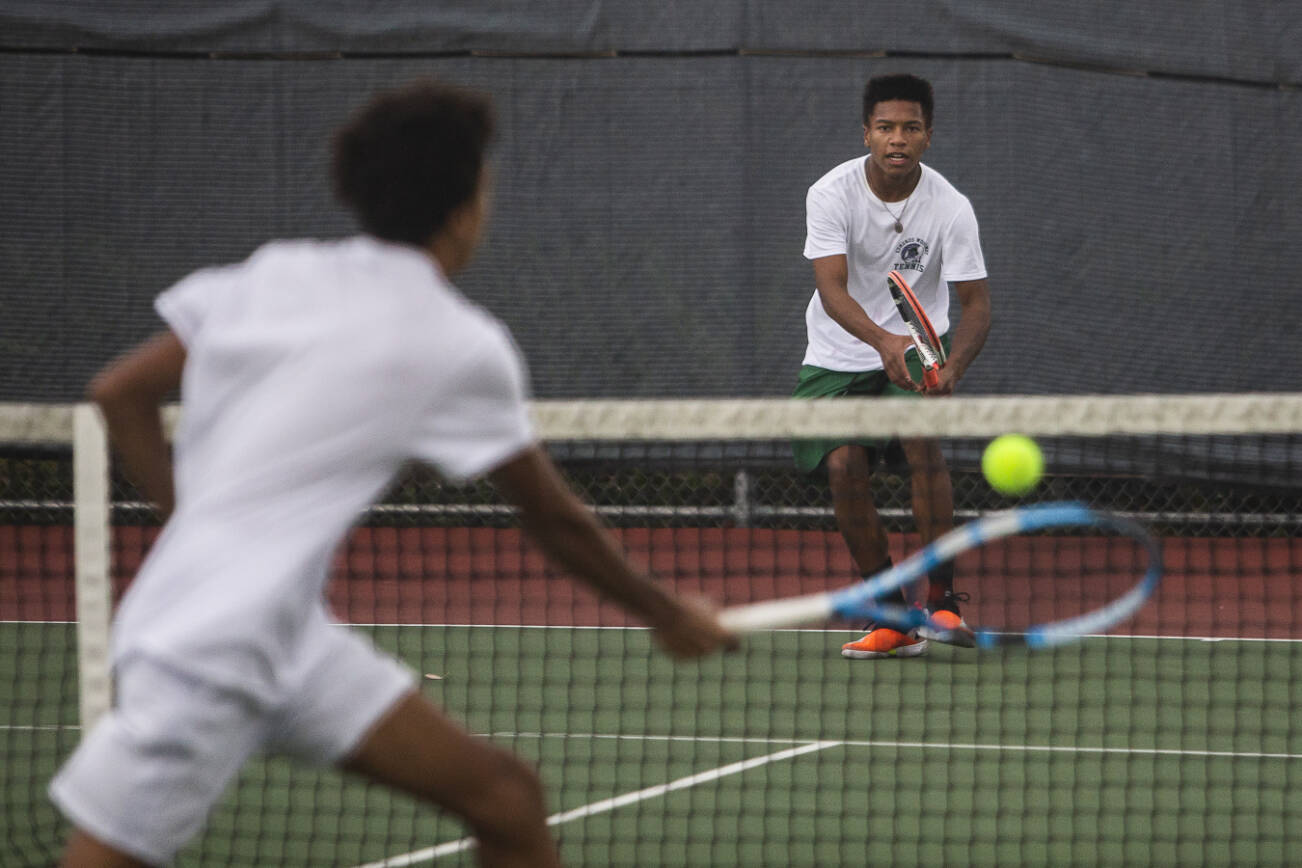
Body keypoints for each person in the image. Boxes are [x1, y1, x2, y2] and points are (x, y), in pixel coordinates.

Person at [48, 80, 737, 868]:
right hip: (205, 653)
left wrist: (195, 526)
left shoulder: (274, 273)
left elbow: (119, 392)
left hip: (287, 638)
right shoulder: (456, 341)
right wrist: (665, 612)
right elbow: (553, 519)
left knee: (506, 798)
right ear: (462, 208)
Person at [793, 73, 991, 659]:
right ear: (867, 135)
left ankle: (944, 602)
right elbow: (831, 289)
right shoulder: (830, 193)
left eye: (910, 127)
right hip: (837, 351)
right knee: (843, 467)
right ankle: (893, 616)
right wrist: (882, 341)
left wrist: (952, 365)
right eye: (885, 128)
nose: (897, 138)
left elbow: (977, 303)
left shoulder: (951, 207)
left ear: (928, 137)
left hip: (922, 343)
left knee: (921, 443)